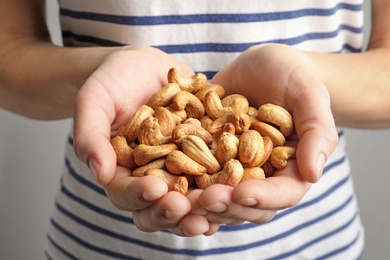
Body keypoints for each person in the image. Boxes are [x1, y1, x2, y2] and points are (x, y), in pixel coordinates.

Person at [1, 0, 389, 259]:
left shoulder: (228, 134)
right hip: (95, 241)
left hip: (314, 242)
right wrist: (98, 71)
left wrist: (308, 89)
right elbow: (7, 52)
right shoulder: (184, 130)